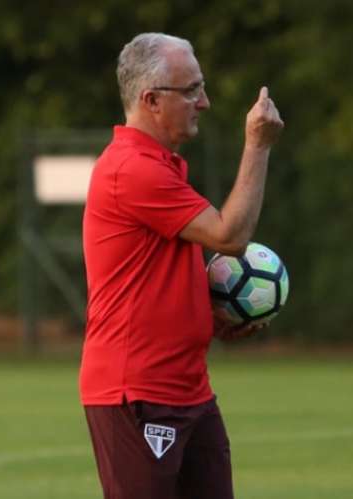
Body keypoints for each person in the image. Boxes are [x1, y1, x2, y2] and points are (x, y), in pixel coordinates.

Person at [80, 32, 284, 499]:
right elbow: (229, 237)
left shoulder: (161, 164)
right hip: (138, 393)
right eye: (191, 90)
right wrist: (258, 145)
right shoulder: (131, 168)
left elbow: (152, 272)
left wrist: (203, 319)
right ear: (151, 100)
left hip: (188, 387)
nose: (205, 102)